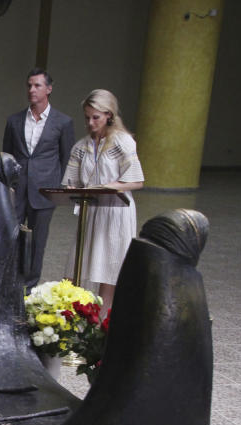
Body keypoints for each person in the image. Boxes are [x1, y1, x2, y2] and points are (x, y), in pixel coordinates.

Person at [62, 89, 144, 311]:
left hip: (116, 211)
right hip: (92, 210)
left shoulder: (122, 142)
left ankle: (102, 322)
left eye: (95, 117)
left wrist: (110, 187)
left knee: (109, 265)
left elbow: (136, 181)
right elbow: (72, 181)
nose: (90, 122)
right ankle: (75, 316)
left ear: (109, 115)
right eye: (87, 117)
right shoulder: (81, 147)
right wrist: (71, 188)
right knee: (80, 263)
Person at [2, 68, 75, 290]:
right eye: (29, 85)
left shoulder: (63, 122)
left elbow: (67, 157)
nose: (32, 89)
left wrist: (58, 189)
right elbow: (7, 155)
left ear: (49, 89)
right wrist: (8, 186)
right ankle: (8, 283)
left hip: (44, 191)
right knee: (10, 236)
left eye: (37, 85)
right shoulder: (14, 120)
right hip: (17, 189)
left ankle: (30, 287)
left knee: (38, 242)